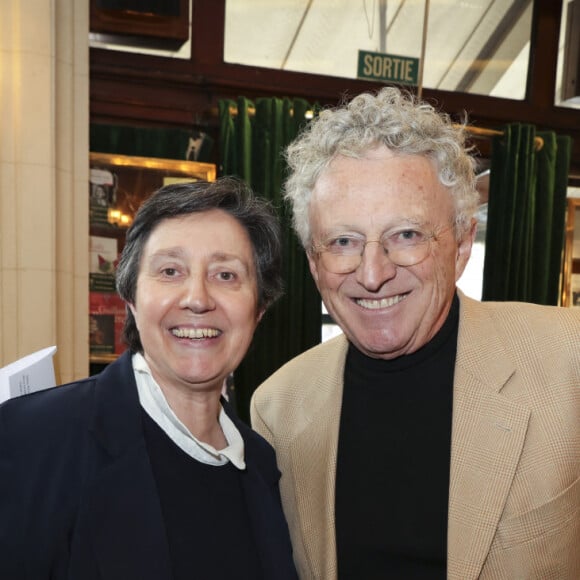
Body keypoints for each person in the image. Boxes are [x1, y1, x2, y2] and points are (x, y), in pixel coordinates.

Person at [250, 87, 580, 579]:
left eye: (406, 235)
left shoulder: (567, 359)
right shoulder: (277, 409)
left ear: (462, 244)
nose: (372, 272)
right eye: (343, 241)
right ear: (314, 261)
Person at [0, 177, 298, 580]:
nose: (197, 298)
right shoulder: (34, 438)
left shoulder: (263, 466)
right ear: (132, 300)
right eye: (170, 270)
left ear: (259, 309)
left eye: (226, 275)